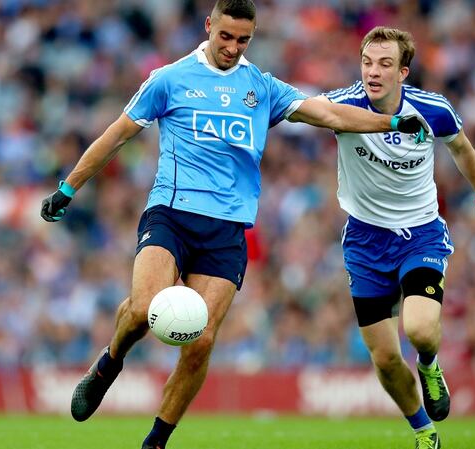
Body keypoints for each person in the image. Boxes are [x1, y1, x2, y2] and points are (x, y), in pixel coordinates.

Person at [39, 2, 426, 449]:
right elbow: (117, 134)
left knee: (201, 341)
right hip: (172, 212)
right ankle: (110, 361)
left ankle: (156, 442)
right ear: (209, 27)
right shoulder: (170, 78)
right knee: (145, 309)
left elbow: (331, 114)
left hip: (226, 229)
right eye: (226, 36)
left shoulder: (260, 86)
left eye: (243, 40)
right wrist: (68, 188)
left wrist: (391, 121)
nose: (232, 47)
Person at [322, 27, 475, 448]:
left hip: (419, 235)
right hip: (364, 243)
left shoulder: (432, 109)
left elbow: (461, 147)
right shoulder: (343, 104)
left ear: (403, 71)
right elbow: (299, 111)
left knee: (421, 329)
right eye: (368, 62)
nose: (373, 71)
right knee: (386, 359)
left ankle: (429, 364)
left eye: (385, 64)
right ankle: (426, 433)